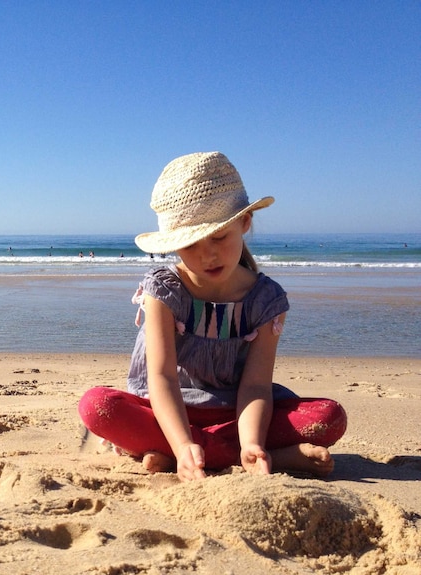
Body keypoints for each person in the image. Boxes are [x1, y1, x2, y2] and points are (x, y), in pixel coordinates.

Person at [78, 152, 346, 481]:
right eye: (190, 244)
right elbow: (161, 379)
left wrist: (252, 442)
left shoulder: (265, 301)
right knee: (96, 406)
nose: (207, 254)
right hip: (172, 409)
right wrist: (182, 442)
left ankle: (193, 454)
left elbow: (257, 386)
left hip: (239, 412)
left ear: (244, 223)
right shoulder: (163, 290)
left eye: (219, 237)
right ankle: (263, 457)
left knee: (329, 416)